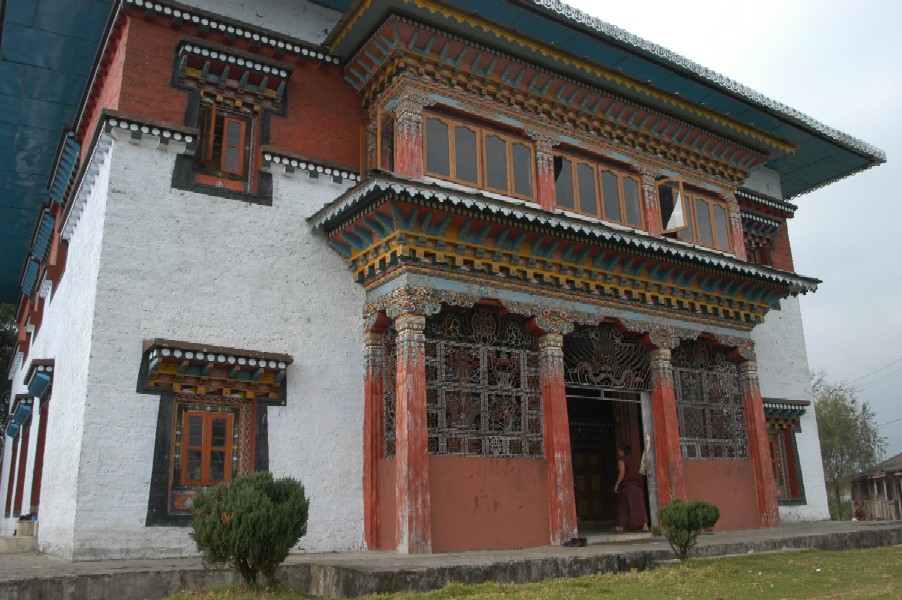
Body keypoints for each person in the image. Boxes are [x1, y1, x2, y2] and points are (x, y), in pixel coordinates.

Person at [614, 441, 648, 532]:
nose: (617, 451)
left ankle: (622, 526)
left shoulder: (621, 461)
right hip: (636, 487)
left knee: (623, 506)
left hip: (627, 488)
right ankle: (645, 525)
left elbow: (622, 473)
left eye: (618, 449)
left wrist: (616, 485)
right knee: (640, 505)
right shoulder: (631, 461)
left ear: (621, 451)